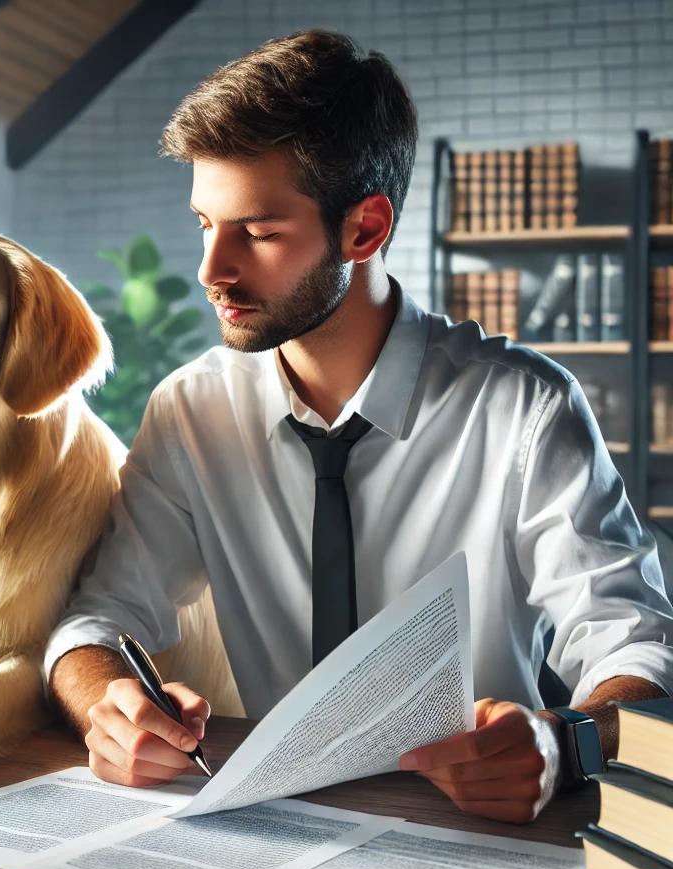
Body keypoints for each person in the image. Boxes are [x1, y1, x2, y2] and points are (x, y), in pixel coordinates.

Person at [44, 29, 672, 823]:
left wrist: (566, 741)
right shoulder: (189, 410)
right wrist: (106, 703)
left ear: (365, 229)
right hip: (265, 824)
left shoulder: (525, 407)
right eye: (206, 223)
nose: (211, 270)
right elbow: (100, 618)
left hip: (480, 828)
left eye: (259, 232)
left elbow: (638, 646)